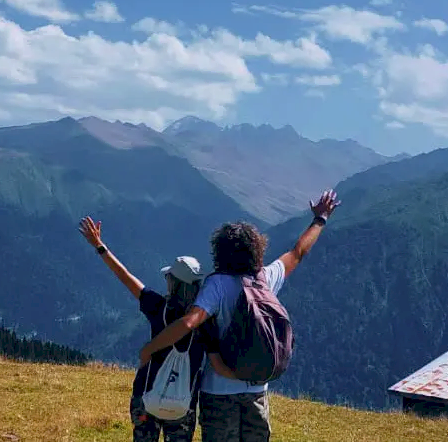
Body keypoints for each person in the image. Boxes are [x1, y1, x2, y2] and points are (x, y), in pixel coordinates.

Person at [136, 189, 341, 442]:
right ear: (257, 249)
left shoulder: (217, 285)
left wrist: (150, 349)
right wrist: (320, 219)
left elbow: (189, 322)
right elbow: (299, 251)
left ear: (219, 252)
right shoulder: (265, 279)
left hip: (219, 391)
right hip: (256, 390)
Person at [79, 216, 220, 442]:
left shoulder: (157, 307)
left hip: (147, 397)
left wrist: (100, 247)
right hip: (184, 406)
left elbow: (125, 277)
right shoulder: (206, 320)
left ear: (173, 283)